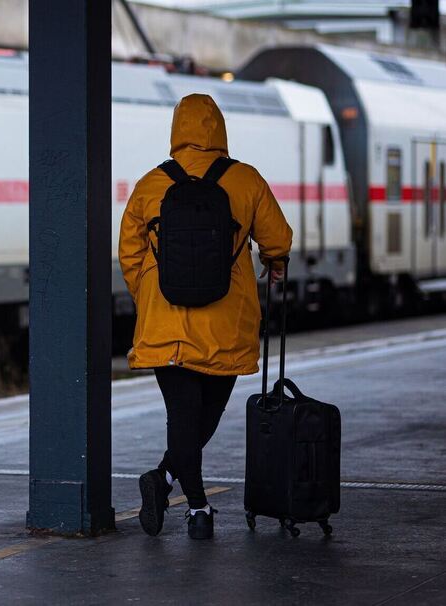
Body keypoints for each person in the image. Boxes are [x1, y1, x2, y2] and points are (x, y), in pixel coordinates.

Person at [118, 93, 292, 540]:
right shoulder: (245, 180)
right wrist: (274, 263)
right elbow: (278, 240)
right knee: (203, 420)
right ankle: (193, 505)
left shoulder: (151, 184)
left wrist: (150, 296)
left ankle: (172, 487)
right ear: (220, 129)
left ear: (177, 131)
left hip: (165, 327)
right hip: (226, 326)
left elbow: (129, 253)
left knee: (182, 414)